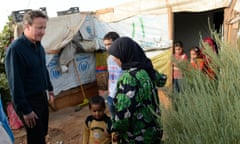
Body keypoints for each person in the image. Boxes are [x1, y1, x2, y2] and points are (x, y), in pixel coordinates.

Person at [5, 10, 54, 144]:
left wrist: (49, 89)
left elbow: (43, 69)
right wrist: (26, 110)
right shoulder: (16, 50)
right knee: (35, 138)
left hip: (41, 97)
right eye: (39, 28)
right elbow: (15, 84)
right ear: (27, 26)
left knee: (42, 132)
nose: (43, 31)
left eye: (44, 28)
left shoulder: (38, 46)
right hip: (28, 102)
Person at [108, 37, 166, 144]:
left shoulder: (129, 78)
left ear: (124, 55)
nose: (114, 60)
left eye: (116, 57)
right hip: (153, 130)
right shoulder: (146, 70)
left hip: (136, 136)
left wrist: (114, 129)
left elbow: (124, 114)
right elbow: (162, 80)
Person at [103, 32, 123, 119]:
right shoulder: (109, 59)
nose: (107, 47)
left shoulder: (124, 57)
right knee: (113, 116)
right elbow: (111, 75)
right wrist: (109, 90)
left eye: (109, 44)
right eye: (105, 45)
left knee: (122, 116)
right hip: (111, 94)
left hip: (122, 92)